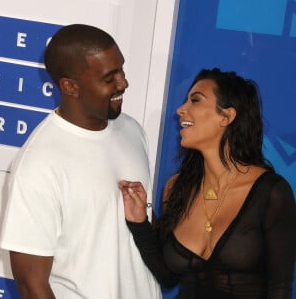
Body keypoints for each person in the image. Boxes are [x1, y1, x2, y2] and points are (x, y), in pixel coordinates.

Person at [0, 24, 161, 299]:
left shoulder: (133, 131)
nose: (124, 83)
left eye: (121, 69)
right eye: (110, 78)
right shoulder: (38, 164)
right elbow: (31, 283)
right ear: (70, 86)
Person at [119, 68, 296, 299]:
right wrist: (141, 223)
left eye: (195, 100)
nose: (181, 110)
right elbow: (167, 277)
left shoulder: (271, 192)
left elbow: (279, 289)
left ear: (227, 117)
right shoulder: (175, 189)